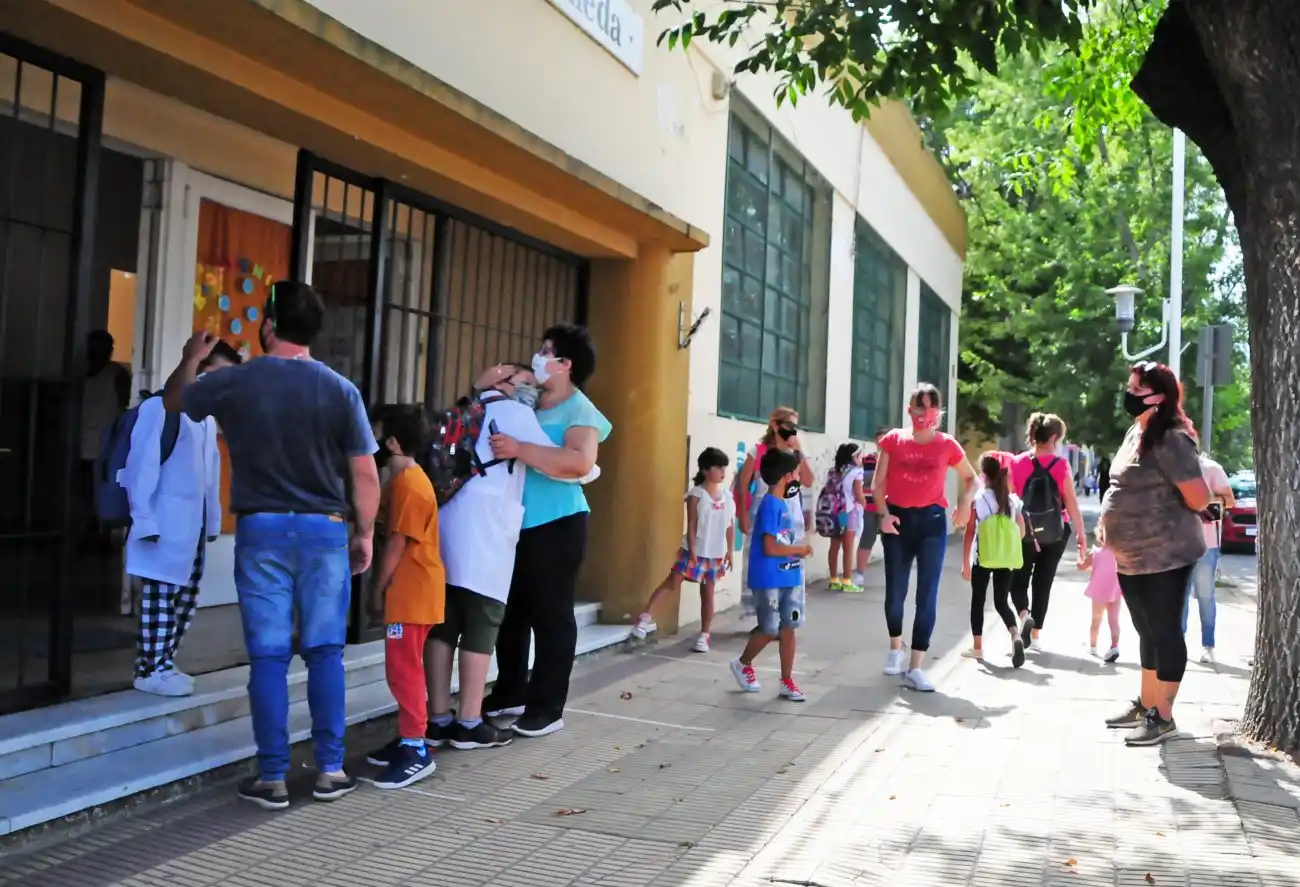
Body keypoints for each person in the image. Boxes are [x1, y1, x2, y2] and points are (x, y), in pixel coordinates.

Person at [164, 280, 381, 809]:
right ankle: (331, 769)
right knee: (326, 651)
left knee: (268, 655)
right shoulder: (340, 390)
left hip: (260, 529)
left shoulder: (236, 381)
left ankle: (273, 777)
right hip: (325, 529)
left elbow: (175, 401)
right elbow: (365, 474)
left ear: (268, 324)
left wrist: (193, 357)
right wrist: (365, 533)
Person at [421, 363, 597, 754]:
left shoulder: (466, 409)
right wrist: (590, 467)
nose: (531, 392)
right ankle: (468, 722)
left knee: (444, 623)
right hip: (486, 532)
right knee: (482, 619)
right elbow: (569, 465)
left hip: (448, 524)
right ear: (503, 380)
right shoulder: (515, 414)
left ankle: (436, 719)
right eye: (525, 383)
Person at [481, 325, 611, 739]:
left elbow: (577, 462)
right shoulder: (529, 401)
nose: (537, 357)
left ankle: (546, 707)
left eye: (545, 351)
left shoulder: (580, 411)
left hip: (558, 524)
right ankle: (510, 691)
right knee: (511, 614)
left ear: (565, 364)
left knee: (551, 617)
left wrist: (521, 450)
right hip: (515, 522)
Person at [1099, 361, 1210, 746]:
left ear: (1159, 397)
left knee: (1164, 631)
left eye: (1136, 388)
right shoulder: (1136, 432)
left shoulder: (1172, 439)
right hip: (1132, 556)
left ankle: (1163, 716)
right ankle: (1146, 704)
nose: (1129, 394)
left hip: (1166, 555)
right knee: (1145, 630)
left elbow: (1198, 496)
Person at [123, 341, 241, 696]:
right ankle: (149, 668)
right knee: (159, 595)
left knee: (184, 598)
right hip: (163, 522)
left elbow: (211, 476)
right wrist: (143, 519)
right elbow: (140, 466)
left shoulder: (205, 419)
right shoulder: (159, 409)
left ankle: (165, 661)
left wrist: (213, 521)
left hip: (192, 526)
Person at [873, 384, 977, 692]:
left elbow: (971, 478)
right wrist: (884, 515)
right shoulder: (893, 440)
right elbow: (878, 484)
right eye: (919, 409)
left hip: (931, 522)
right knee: (895, 593)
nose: (925, 415)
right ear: (909, 410)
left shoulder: (947, 445)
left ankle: (916, 667)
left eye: (931, 409)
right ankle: (895, 647)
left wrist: (964, 502)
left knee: (927, 595)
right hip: (897, 522)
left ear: (939, 413)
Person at [364, 404, 444, 790]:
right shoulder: (401, 481)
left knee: (404, 669)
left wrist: (377, 590)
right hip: (411, 592)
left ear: (392, 442)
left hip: (411, 595)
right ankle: (409, 736)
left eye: (377, 433)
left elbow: (398, 542)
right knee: (403, 667)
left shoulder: (411, 484)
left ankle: (416, 749)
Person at [729, 448, 812, 701]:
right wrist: (800, 549)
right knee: (769, 628)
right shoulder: (769, 505)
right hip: (768, 578)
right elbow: (770, 547)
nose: (798, 478)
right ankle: (743, 663)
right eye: (796, 474)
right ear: (787, 477)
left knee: (789, 627)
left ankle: (787, 681)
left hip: (789, 577)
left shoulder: (785, 504)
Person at [632, 447, 735, 652]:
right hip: (694, 550)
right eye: (718, 467)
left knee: (708, 592)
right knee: (673, 582)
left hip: (715, 553)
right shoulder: (697, 494)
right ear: (705, 470)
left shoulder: (726, 496)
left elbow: (730, 525)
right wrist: (694, 551)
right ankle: (645, 617)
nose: (722, 471)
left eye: (724, 467)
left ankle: (704, 635)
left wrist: (729, 551)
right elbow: (692, 524)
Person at [1009, 413, 1088, 651]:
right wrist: (1081, 533)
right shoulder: (1060, 464)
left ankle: (1024, 614)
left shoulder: (1017, 461)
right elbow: (1070, 501)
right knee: (1043, 582)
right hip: (1055, 530)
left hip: (1023, 529)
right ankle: (1035, 635)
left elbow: (1012, 498)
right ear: (1053, 437)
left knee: (1018, 579)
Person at [736, 407, 815, 613]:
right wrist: (742, 514)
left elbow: (807, 481)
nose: (793, 430)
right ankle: (763, 614)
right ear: (775, 425)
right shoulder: (759, 451)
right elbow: (742, 483)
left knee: (790, 561)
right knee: (765, 559)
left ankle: (788, 612)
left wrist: (799, 451)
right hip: (765, 511)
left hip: (791, 512)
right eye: (789, 425)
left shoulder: (795, 453)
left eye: (795, 426)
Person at [960, 452, 1026, 666]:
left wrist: (965, 563)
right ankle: (1015, 634)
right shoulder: (1012, 500)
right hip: (1005, 558)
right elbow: (1022, 532)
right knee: (1001, 602)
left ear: (984, 475)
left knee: (978, 601)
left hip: (983, 556)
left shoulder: (978, 499)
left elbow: (970, 532)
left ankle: (978, 648)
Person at [80, 329, 133, 548]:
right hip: (86, 441)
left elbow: (122, 405)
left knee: (104, 489)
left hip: (106, 441)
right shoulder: (85, 374)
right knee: (85, 490)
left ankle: (103, 534)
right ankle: (91, 531)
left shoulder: (116, 375)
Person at [1183, 451, 1235, 665]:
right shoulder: (1173, 469)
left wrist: (1205, 500)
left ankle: (1208, 645)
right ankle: (1178, 647)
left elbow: (1229, 501)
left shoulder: (1211, 468)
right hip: (1178, 545)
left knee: (1205, 596)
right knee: (1179, 600)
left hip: (1207, 545)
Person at [823, 443, 866, 592]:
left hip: (835, 512)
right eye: (859, 456)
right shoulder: (857, 472)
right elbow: (858, 494)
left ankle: (834, 579)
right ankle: (847, 581)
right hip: (849, 512)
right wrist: (864, 503)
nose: (861, 458)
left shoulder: (833, 471)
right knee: (848, 547)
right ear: (853, 457)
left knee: (834, 547)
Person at [853, 427, 890, 584]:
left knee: (891, 542)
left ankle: (893, 575)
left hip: (888, 507)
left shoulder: (897, 459)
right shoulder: (868, 459)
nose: (881, 443)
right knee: (867, 539)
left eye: (885, 439)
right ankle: (860, 574)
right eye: (879, 439)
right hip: (868, 506)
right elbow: (861, 479)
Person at [1084, 530, 1122, 662]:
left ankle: (1093, 647)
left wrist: (1081, 554)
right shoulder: (1120, 555)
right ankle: (1115, 646)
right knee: (1114, 622)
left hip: (1099, 592)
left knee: (1096, 620)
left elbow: (1081, 566)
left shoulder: (1095, 553)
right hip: (1115, 591)